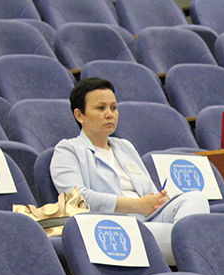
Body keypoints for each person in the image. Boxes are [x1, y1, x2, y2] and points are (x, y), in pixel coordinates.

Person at [50, 78, 210, 262]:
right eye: (101, 108)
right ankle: (198, 253)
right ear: (79, 115)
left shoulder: (125, 146)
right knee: (194, 236)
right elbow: (77, 199)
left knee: (195, 198)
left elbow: (148, 191)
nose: (110, 114)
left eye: (113, 108)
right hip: (112, 227)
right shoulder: (67, 150)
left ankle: (193, 251)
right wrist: (137, 205)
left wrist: (158, 200)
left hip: (149, 218)